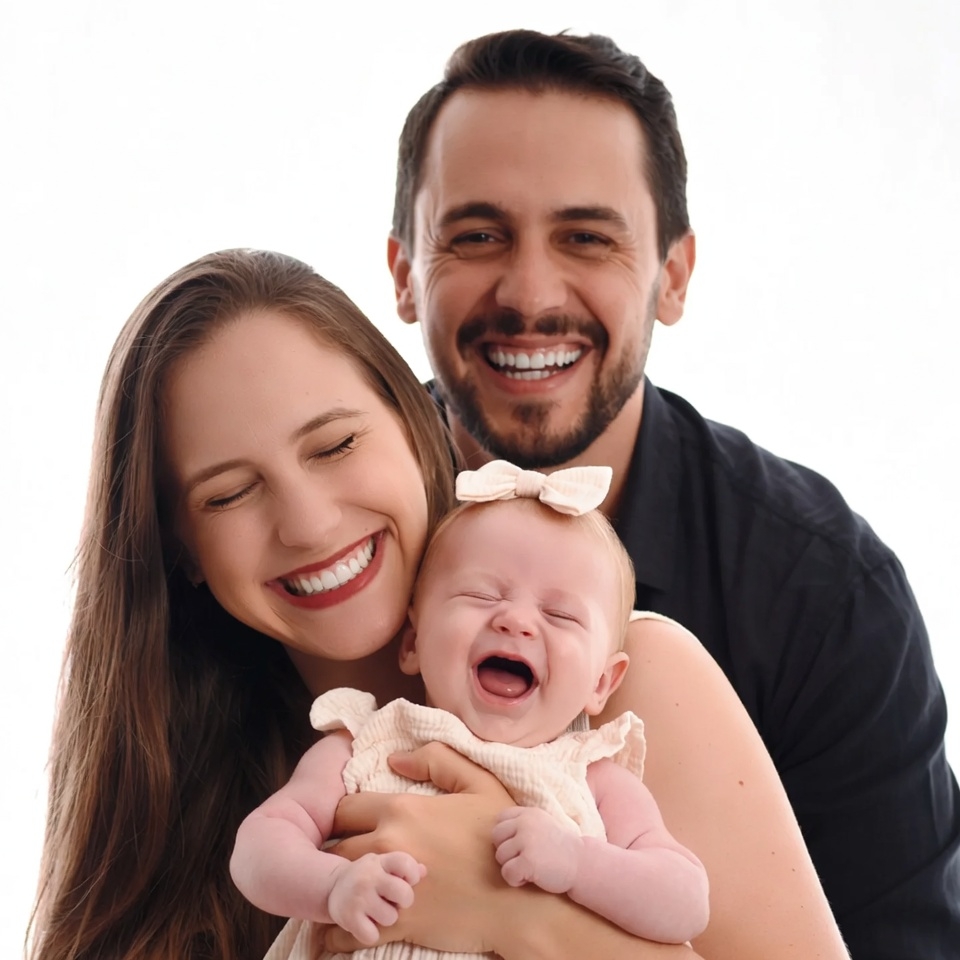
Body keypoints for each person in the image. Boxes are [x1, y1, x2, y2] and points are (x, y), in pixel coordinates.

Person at [28, 247, 849, 960]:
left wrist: (506, 909)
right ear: (181, 554)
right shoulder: (196, 795)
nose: (310, 523)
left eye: (338, 443)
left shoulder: (624, 698)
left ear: (415, 420)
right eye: (231, 493)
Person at [384, 28, 960, 959]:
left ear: (674, 276)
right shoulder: (337, 547)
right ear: (406, 273)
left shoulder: (824, 595)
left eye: (587, 237)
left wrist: (524, 914)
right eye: (478, 235)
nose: (531, 292)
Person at [231, 462, 710, 957]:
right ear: (414, 641)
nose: (517, 620)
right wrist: (331, 884)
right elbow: (259, 846)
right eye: (482, 595)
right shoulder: (367, 741)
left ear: (602, 682)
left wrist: (579, 862)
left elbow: (686, 900)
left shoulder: (595, 779)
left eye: (559, 614)